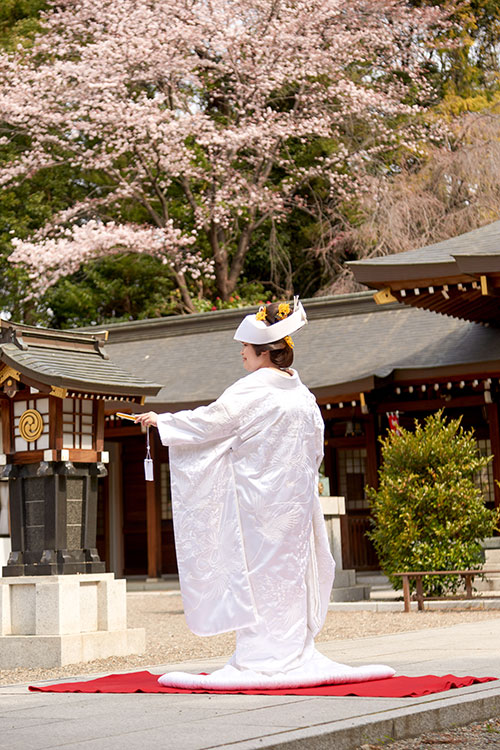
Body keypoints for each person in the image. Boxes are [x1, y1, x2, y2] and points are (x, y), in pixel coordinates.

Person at [135, 299, 393, 689]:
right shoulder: (302, 396)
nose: (240, 352)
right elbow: (316, 453)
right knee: (288, 576)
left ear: (263, 352)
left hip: (258, 506)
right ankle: (292, 651)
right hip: (294, 507)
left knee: (256, 576)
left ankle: (260, 657)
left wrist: (163, 421)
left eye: (245, 347)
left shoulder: (253, 391)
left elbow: (211, 423)